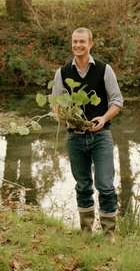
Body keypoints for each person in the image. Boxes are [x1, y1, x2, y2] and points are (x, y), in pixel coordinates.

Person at [52, 27, 123, 238]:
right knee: (83, 185)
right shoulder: (62, 73)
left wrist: (104, 118)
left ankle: (109, 234)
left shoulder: (104, 69)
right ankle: (86, 232)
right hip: (75, 137)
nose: (78, 45)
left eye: (82, 42)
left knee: (106, 185)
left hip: (101, 137)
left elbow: (117, 101)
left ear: (90, 44)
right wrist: (63, 116)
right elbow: (56, 104)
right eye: (75, 41)